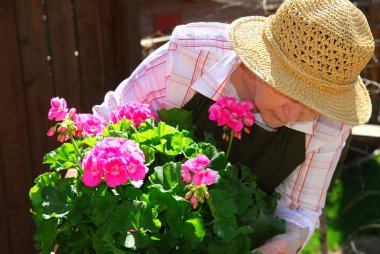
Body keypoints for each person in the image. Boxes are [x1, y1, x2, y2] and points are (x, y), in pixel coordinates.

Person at [93, 0, 375, 253]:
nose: (296, 114)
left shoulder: (333, 123)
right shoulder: (185, 59)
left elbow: (299, 211)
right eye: (294, 93)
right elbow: (107, 130)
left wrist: (287, 242)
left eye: (315, 105)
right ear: (261, 64)